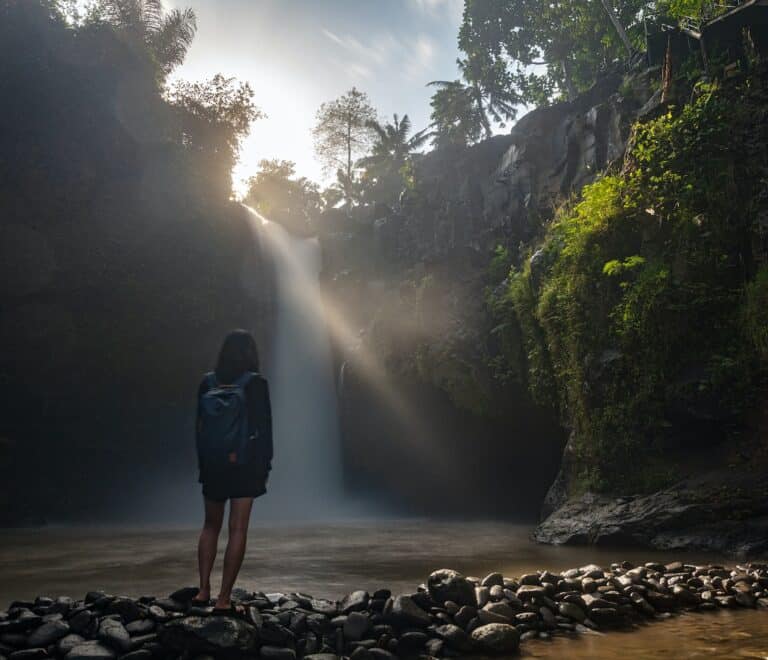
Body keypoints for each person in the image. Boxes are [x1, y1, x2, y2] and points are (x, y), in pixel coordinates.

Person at [192, 329, 272, 612]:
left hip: (213, 465)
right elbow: (263, 431)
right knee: (237, 528)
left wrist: (203, 465)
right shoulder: (256, 384)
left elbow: (198, 429)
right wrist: (265, 467)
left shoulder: (207, 383)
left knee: (209, 526)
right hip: (244, 465)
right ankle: (224, 599)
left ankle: (203, 590)